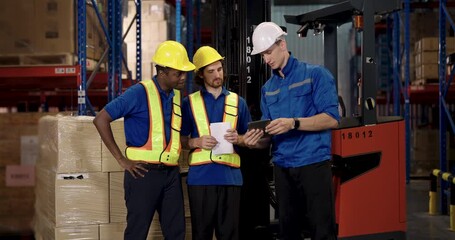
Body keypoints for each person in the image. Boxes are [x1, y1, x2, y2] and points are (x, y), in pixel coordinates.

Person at [244, 22, 340, 240]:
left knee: (321, 231)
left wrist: (294, 123)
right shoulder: (268, 89)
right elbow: (267, 139)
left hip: (313, 164)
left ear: (283, 44)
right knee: (288, 232)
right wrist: (254, 140)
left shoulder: (316, 75)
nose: (266, 59)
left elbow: (332, 119)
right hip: (283, 169)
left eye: (269, 52)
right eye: (262, 55)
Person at [93, 40, 195, 240]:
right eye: (178, 73)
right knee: (137, 233)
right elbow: (101, 119)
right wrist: (122, 160)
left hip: (171, 175)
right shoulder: (138, 93)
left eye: (185, 73)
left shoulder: (176, 96)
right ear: (163, 72)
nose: (184, 78)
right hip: (142, 175)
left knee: (176, 233)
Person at [180, 46, 252, 240]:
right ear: (201, 75)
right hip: (200, 179)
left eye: (219, 69)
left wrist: (240, 139)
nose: (217, 74)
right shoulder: (189, 103)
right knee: (201, 235)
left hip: (230, 179)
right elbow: (179, 140)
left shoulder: (239, 102)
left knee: (229, 235)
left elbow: (250, 138)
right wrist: (196, 141)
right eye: (211, 71)